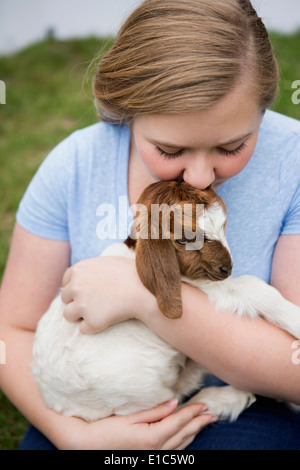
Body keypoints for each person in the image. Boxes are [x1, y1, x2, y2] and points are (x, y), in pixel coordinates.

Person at [0, 0, 300, 450]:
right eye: (171, 150)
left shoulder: (291, 164)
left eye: (233, 145)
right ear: (127, 112)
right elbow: (13, 329)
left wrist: (143, 295)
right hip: (93, 413)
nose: (200, 176)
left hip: (246, 400)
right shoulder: (76, 164)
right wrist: (71, 435)